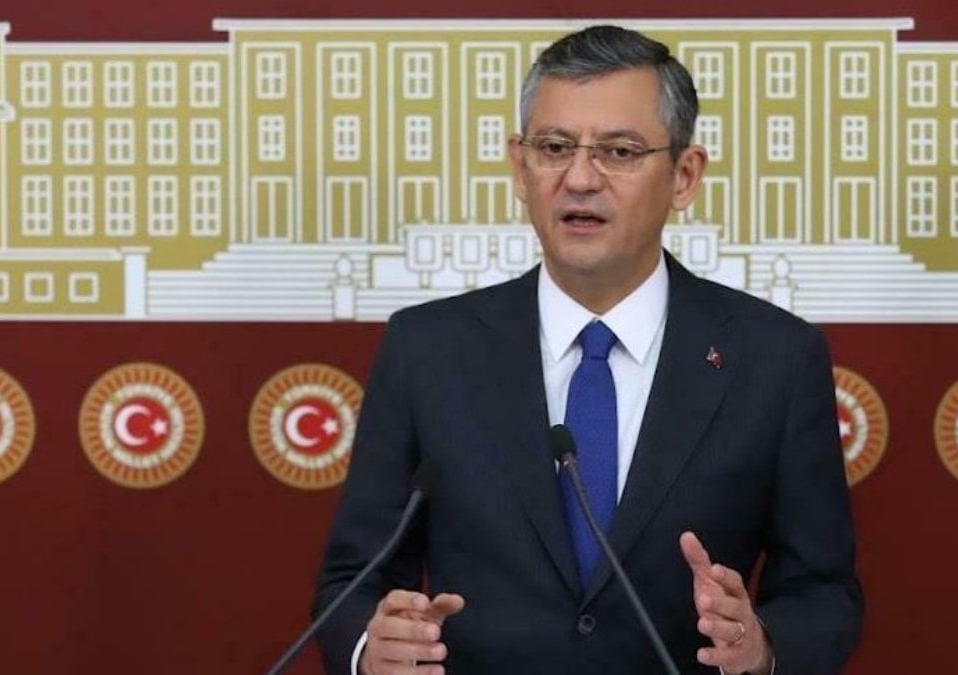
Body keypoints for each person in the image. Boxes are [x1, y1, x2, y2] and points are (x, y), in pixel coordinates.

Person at [312, 25, 862, 675]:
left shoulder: (775, 358)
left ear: (684, 176)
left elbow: (823, 594)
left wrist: (763, 646)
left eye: (619, 152)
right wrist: (371, 647)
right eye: (554, 147)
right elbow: (355, 579)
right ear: (520, 166)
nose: (579, 178)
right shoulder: (427, 350)